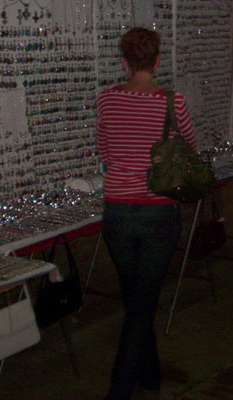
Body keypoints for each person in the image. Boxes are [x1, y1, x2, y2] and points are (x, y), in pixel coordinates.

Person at [95, 27, 197, 400]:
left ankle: (151, 377)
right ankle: (119, 392)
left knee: (137, 298)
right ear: (157, 62)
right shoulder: (173, 102)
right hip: (159, 212)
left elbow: (105, 153)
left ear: (124, 62)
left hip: (117, 212)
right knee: (141, 305)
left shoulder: (106, 100)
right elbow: (189, 146)